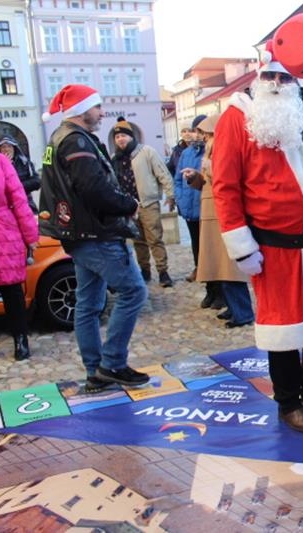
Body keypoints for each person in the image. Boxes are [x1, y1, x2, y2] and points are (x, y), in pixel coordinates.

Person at [211, 43, 303, 433]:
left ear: (295, 80)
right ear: (258, 78)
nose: (275, 83)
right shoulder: (236, 119)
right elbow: (224, 186)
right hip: (274, 249)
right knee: (285, 330)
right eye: (269, 76)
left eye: (283, 77)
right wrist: (242, 247)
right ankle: (288, 403)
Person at [38, 84, 149, 391]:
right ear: (81, 109)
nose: (102, 113)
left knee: (88, 304)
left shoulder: (62, 137)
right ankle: (111, 364)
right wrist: (129, 205)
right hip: (95, 233)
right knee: (133, 292)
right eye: (97, 106)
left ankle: (95, 372)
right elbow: (93, 188)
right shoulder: (75, 140)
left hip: (80, 233)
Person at [185, 114, 255, 329]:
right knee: (220, 267)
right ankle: (233, 307)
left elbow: (227, 178)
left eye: (207, 134)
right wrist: (194, 177)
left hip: (221, 215)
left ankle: (242, 312)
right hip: (211, 215)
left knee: (229, 268)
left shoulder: (223, 150)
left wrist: (209, 167)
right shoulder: (210, 152)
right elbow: (205, 182)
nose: (204, 138)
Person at [111, 117, 176, 288]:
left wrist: (171, 195)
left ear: (131, 136)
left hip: (148, 203)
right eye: (117, 137)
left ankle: (163, 272)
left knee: (155, 239)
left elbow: (163, 173)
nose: (120, 139)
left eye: (123, 136)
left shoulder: (146, 152)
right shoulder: (115, 158)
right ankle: (145, 270)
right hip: (129, 207)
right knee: (138, 241)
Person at [0, 146, 38, 363]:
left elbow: (19, 199)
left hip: (3, 230)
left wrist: (30, 235)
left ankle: (20, 338)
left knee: (12, 288)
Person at [174, 115, 207, 289]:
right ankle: (198, 268)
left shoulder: (209, 151)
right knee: (195, 241)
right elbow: (177, 179)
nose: (197, 134)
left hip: (204, 206)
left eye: (200, 131)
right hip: (189, 206)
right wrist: (180, 198)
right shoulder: (186, 153)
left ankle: (211, 276)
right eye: (195, 131)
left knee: (209, 244)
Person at [0, 135, 41, 214]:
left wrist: (17, 187)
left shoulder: (24, 162)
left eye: (9, 146)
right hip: (6, 208)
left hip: (27, 203)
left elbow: (37, 182)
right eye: (3, 147)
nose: (6, 149)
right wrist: (5, 167)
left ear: (14, 148)